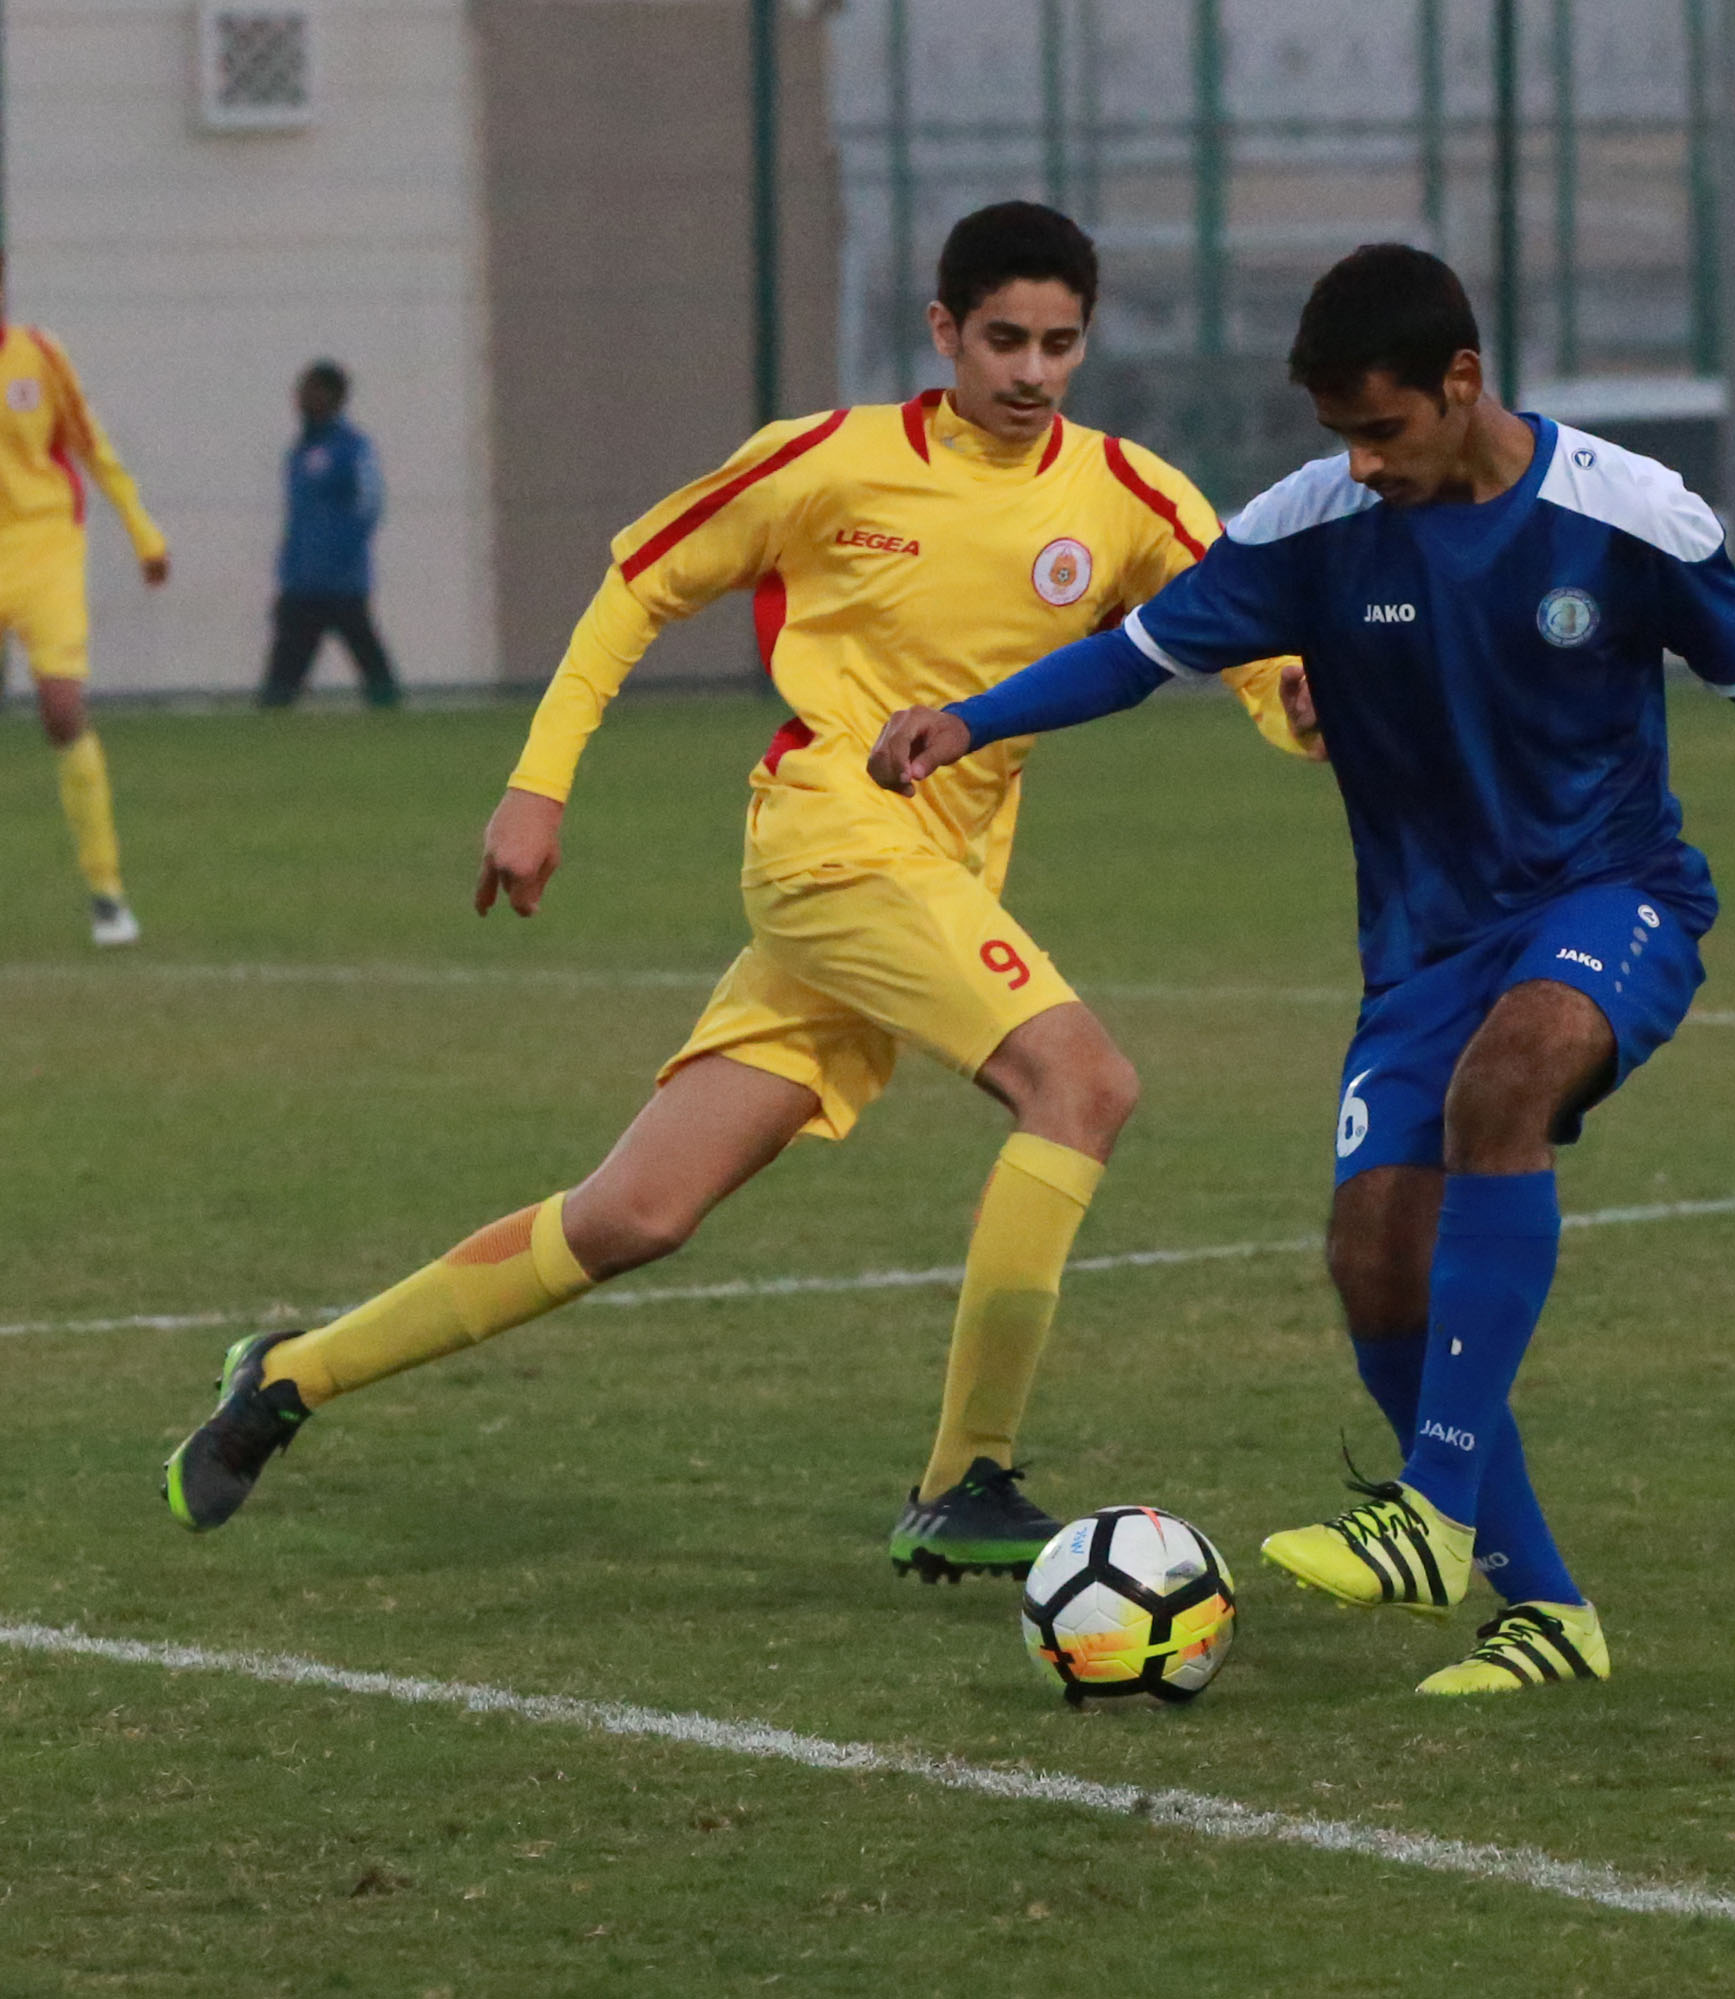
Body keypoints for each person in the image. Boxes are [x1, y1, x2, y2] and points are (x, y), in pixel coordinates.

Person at [165, 202, 1311, 1571]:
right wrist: (538, 783)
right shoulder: (827, 460)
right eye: (1002, 339)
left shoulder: (1127, 492)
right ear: (943, 331)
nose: (1029, 371)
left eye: (1057, 345)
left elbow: (1252, 643)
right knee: (1083, 1084)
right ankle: (966, 1477)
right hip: (831, 840)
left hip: (922, 881)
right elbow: (637, 586)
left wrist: (1309, 703)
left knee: (634, 1212)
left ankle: (287, 1377)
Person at [870, 243, 1735, 1694]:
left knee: (1508, 1076)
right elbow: (1135, 655)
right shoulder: (1310, 527)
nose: (1361, 463)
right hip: (1423, 950)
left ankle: (1428, 1510)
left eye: (1382, 429)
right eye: (1339, 436)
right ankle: (1547, 1614)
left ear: (1462, 381)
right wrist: (972, 719)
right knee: (1373, 1259)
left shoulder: (1624, 512)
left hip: (1610, 896)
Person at [0, 250, 168, 947]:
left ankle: (106, 891)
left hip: (45, 547)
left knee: (62, 708)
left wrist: (143, 532)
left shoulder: (38, 356)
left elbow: (91, 446)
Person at [259, 361, 400, 708]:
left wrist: (340, 555)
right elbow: (297, 519)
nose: (300, 398)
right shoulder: (299, 450)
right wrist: (288, 570)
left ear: (331, 396)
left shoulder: (352, 447)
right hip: (301, 585)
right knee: (281, 681)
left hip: (343, 584)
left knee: (372, 665)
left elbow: (370, 505)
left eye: (309, 390)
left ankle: (394, 716)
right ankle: (269, 726)